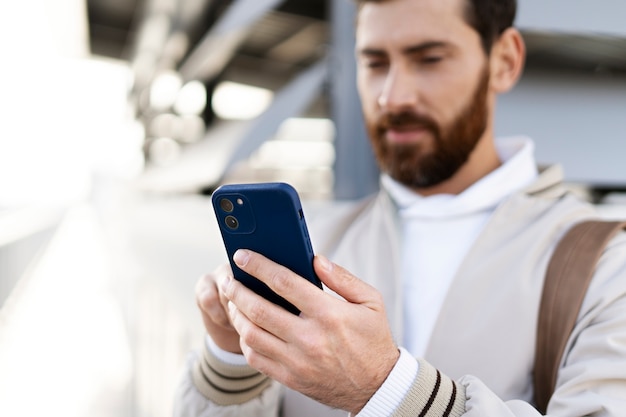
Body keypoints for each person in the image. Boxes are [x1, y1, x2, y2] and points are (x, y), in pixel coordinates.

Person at [174, 0, 626, 415]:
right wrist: (229, 360)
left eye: (429, 59)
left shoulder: (604, 264)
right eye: (374, 62)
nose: (393, 95)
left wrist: (385, 388)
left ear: (504, 61)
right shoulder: (321, 242)